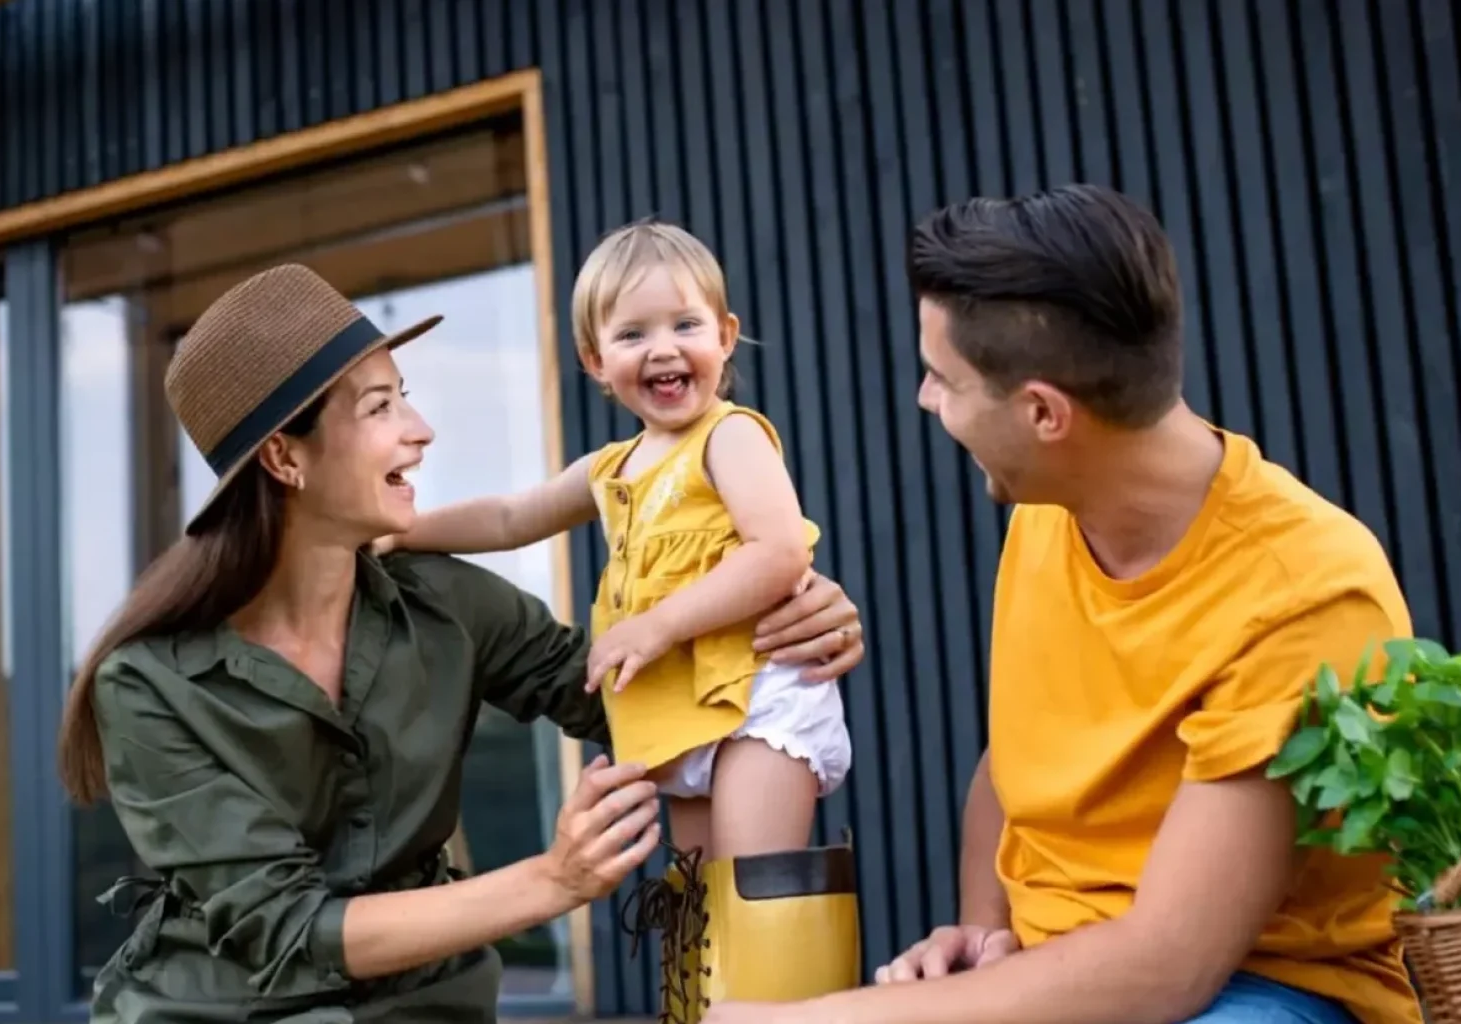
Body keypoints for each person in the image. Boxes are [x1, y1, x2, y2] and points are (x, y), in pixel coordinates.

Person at [52, 262, 870, 1024]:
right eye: (379, 408)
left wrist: (777, 626)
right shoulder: (147, 684)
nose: (422, 429)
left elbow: (620, 694)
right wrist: (552, 881)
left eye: (403, 396)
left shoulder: (447, 600)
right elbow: (286, 929)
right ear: (283, 457)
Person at [701, 185, 1422, 1024]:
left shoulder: (1303, 593)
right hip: (1073, 965)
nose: (925, 401)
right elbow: (1013, 767)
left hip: (1264, 991)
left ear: (1044, 411)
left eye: (942, 378)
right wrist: (980, 935)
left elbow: (1165, 969)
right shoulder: (1046, 513)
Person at [381, 219, 861, 1018]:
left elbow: (777, 552)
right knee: (694, 902)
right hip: (678, 716)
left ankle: (791, 1015)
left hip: (758, 696)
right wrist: (400, 532)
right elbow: (509, 516)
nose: (663, 348)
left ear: (725, 336)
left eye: (685, 325)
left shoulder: (729, 439)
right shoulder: (611, 469)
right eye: (632, 333)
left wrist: (656, 625)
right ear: (596, 363)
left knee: (755, 894)